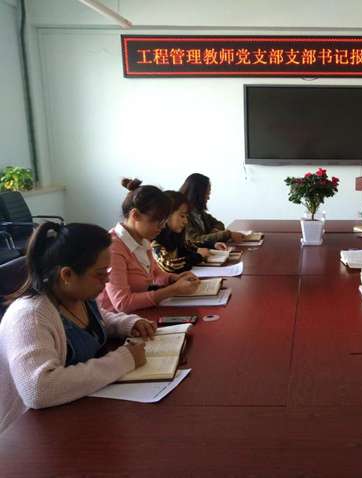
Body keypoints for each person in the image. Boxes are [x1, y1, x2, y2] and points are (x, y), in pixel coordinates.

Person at [0, 222, 154, 433]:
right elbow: (39, 389)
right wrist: (124, 359)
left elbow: (99, 319)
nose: (107, 279)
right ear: (67, 275)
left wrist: (127, 323)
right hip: (27, 433)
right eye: (100, 273)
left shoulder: (79, 295)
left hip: (78, 411)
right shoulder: (30, 317)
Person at [99, 178, 200, 313]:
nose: (162, 227)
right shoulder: (113, 248)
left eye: (164, 222)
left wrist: (174, 278)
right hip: (118, 320)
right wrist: (172, 290)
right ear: (135, 215)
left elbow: (156, 275)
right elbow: (122, 303)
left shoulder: (143, 240)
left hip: (140, 314)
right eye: (157, 222)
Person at [151, 190, 227, 273]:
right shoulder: (155, 241)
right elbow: (171, 265)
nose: (186, 221)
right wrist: (199, 256)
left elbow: (189, 245)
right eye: (182, 216)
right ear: (166, 215)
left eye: (186, 216)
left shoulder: (174, 236)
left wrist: (213, 244)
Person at [179, 173, 245, 247]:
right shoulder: (182, 215)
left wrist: (214, 230)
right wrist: (227, 234)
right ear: (197, 194)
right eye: (207, 194)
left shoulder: (199, 212)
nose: (208, 198)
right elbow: (194, 240)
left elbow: (219, 224)